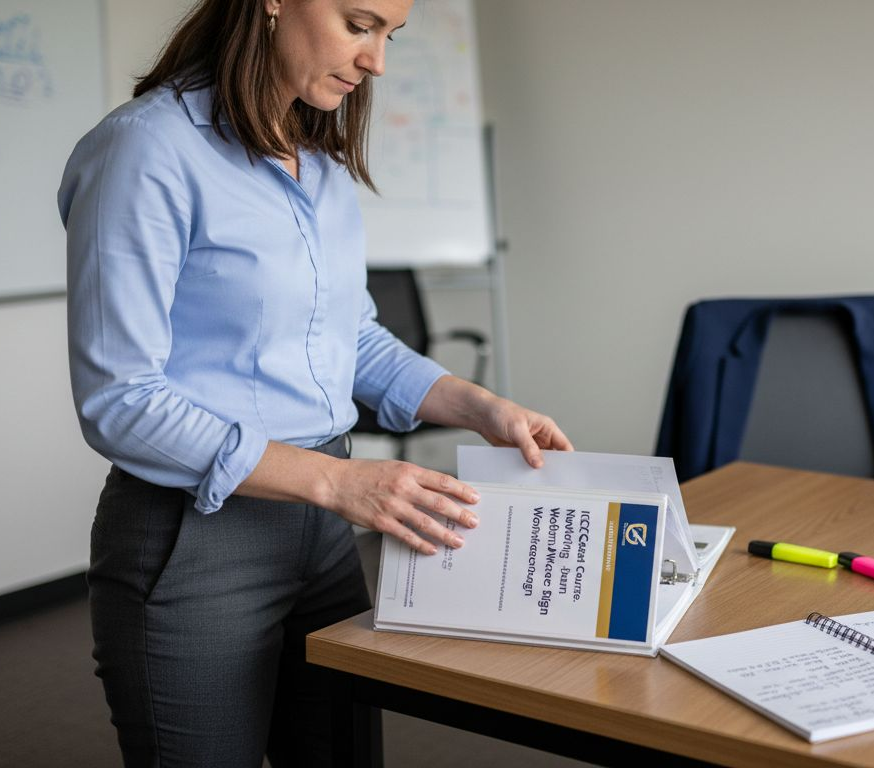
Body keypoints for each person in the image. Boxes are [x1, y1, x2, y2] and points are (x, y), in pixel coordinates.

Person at [57, 0, 572, 765]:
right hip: (197, 534)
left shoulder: (318, 163)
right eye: (359, 25)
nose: (377, 64)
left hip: (323, 533)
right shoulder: (145, 150)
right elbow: (120, 399)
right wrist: (338, 483)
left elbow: (350, 336)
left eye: (390, 36)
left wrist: (479, 407)